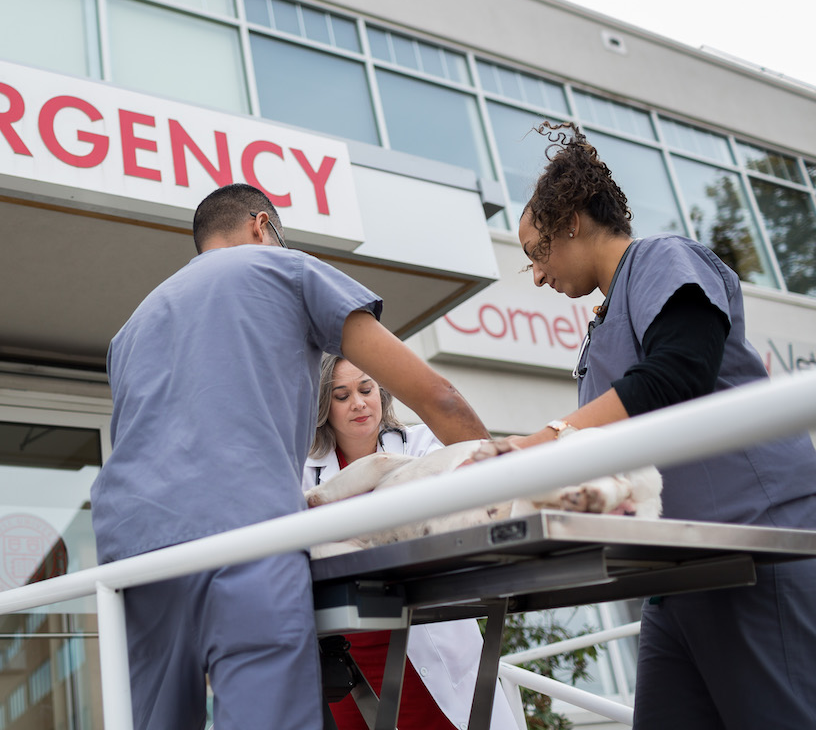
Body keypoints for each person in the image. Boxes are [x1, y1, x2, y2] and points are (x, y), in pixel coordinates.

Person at [90, 183, 489, 730]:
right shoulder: (286, 269)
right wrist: (512, 476)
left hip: (131, 549)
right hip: (245, 531)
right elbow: (436, 395)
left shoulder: (130, 329)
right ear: (261, 227)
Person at [475, 121, 816, 729]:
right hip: (676, 571)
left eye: (537, 252)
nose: (537, 274)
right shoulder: (603, 327)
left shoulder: (663, 258)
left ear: (573, 221)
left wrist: (540, 442)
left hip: (757, 545)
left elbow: (678, 370)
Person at [305, 354, 519, 730]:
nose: (358, 402)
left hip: (422, 634)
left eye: (366, 389)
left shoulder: (424, 446)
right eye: (341, 395)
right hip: (349, 649)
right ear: (324, 407)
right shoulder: (305, 471)